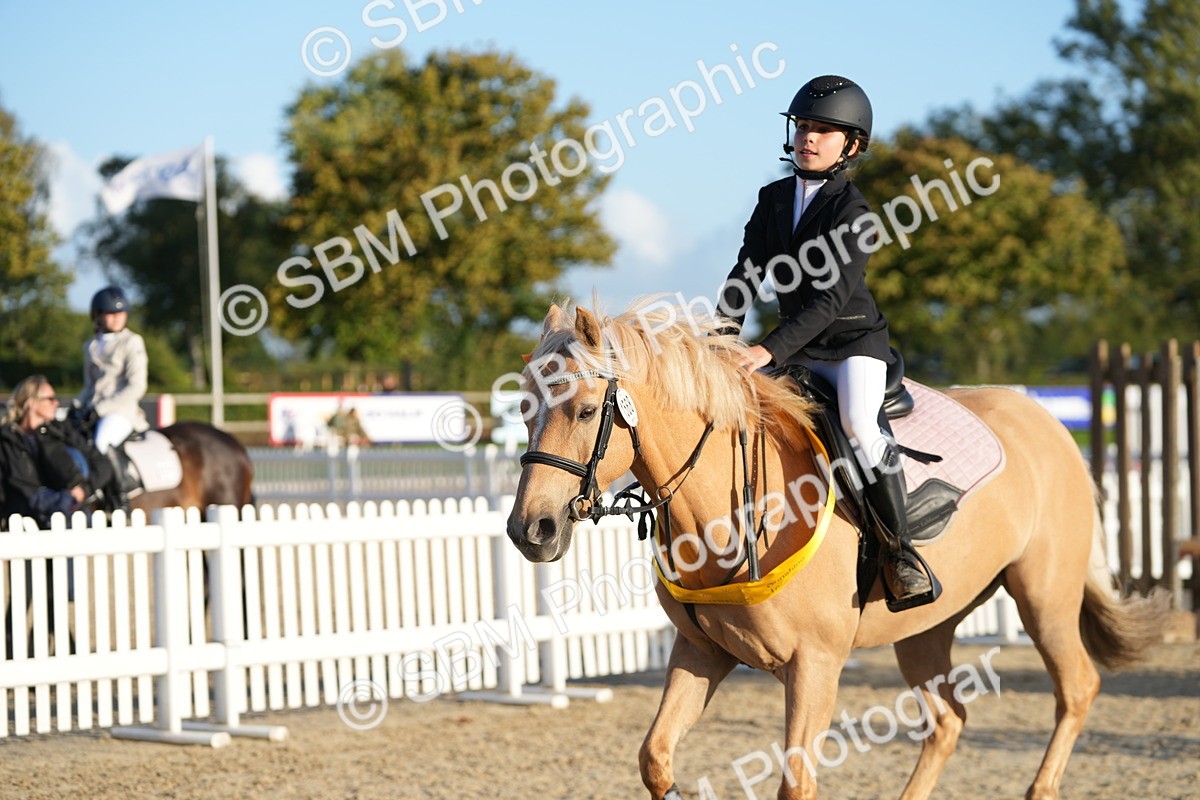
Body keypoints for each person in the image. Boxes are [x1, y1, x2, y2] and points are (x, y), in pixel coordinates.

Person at [716, 75, 935, 610]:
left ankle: (899, 551)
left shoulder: (854, 213)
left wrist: (766, 350)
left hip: (853, 344)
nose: (808, 139)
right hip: (798, 346)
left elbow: (829, 304)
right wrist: (721, 334)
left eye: (823, 131)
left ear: (851, 145)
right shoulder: (772, 199)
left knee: (859, 423)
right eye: (804, 128)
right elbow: (747, 271)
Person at [0, 376, 105, 529]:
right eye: (50, 399)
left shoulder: (62, 431)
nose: (56, 403)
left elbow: (101, 463)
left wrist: (84, 490)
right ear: (31, 402)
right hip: (24, 525)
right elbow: (20, 490)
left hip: (62, 516)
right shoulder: (7, 439)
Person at [78, 285, 148, 507]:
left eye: (121, 313)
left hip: (121, 411)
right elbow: (89, 386)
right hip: (94, 409)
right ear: (97, 316)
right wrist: (78, 406)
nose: (117, 318)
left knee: (102, 441)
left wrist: (102, 409)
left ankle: (119, 497)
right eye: (111, 313)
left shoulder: (132, 342)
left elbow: (136, 386)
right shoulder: (90, 346)